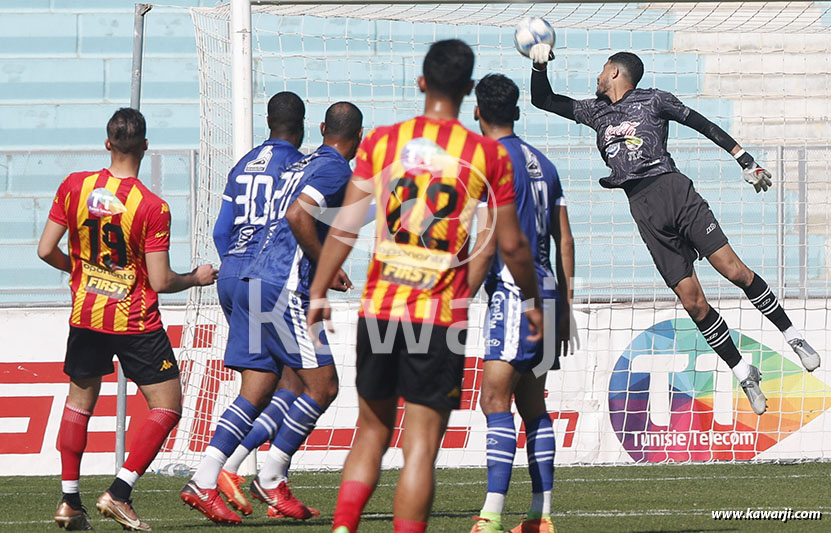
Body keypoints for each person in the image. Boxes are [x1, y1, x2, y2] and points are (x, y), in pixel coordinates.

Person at [307, 40, 544, 533]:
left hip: (380, 307)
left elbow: (346, 225)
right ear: (469, 91)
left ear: (421, 83)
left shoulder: (383, 142)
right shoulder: (485, 155)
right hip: (438, 317)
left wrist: (320, 289)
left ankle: (343, 527)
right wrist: (531, 299)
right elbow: (513, 246)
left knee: (370, 432)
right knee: (420, 445)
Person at [526, 44, 821, 416]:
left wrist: (743, 159)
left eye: (603, 69)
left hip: (674, 192)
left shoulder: (654, 100)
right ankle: (743, 370)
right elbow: (544, 101)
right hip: (643, 208)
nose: (597, 76)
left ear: (616, 72)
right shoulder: (595, 110)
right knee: (693, 301)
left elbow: (701, 123)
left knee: (735, 271)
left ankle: (792, 335)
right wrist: (538, 66)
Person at [181, 101, 363, 524]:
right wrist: (325, 266)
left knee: (263, 384)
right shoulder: (333, 168)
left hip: (249, 277)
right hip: (282, 287)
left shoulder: (300, 163)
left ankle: (207, 478)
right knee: (322, 386)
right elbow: (298, 215)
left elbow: (237, 226)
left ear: (321, 128)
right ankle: (271, 475)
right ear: (359, 137)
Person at [38, 107, 217, 531]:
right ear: (146, 146)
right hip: (134, 320)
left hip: (86, 314)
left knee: (79, 403)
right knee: (167, 405)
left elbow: (45, 250)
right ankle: (119, 492)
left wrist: (81, 272)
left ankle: (68, 502)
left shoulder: (75, 186)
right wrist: (196, 277)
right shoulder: (152, 207)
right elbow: (160, 279)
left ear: (107, 143)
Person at [468, 74, 575, 533]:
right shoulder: (544, 163)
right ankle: (540, 515)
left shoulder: (488, 161)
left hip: (515, 293)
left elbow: (489, 237)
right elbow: (565, 238)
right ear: (516, 110)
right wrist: (566, 306)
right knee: (533, 406)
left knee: (493, 398)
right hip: (549, 291)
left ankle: (491, 515)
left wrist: (459, 292)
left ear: (477, 112)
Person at [197, 91, 308, 519]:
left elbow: (222, 230)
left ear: (266, 120)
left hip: (232, 275)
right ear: (301, 125)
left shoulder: (242, 165)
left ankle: (239, 472)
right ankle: (231, 471)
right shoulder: (297, 166)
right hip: (269, 279)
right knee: (303, 382)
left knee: (273, 381)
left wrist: (236, 270)